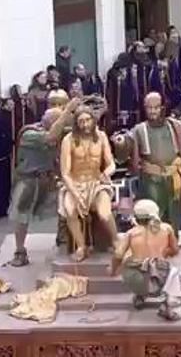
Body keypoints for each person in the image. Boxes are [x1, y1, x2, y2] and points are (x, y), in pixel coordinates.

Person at [7, 100, 77, 266]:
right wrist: (68, 110)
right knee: (20, 214)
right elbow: (50, 137)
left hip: (48, 179)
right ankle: (20, 251)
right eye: (58, 121)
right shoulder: (30, 133)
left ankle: (64, 239)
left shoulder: (61, 130)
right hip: (28, 179)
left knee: (65, 205)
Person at [59, 107, 117, 262]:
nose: (85, 125)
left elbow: (112, 164)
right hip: (75, 183)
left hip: (97, 183)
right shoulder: (69, 140)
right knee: (70, 210)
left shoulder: (102, 137)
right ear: (76, 124)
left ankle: (116, 241)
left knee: (105, 213)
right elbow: (65, 173)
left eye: (88, 120)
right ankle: (81, 246)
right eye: (81, 122)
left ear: (93, 120)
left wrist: (106, 173)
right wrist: (76, 194)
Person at [110, 199, 181, 320]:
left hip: (134, 278)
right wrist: (163, 252)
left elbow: (118, 255)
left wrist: (113, 270)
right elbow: (175, 250)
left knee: (132, 261)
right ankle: (171, 306)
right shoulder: (166, 229)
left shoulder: (131, 233)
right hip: (159, 279)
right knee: (175, 272)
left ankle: (140, 295)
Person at [131, 93, 181, 228]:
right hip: (151, 181)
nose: (152, 111)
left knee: (175, 220)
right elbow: (130, 156)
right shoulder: (139, 130)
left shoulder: (174, 125)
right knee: (153, 219)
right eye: (149, 108)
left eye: (156, 107)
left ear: (162, 108)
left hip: (174, 180)